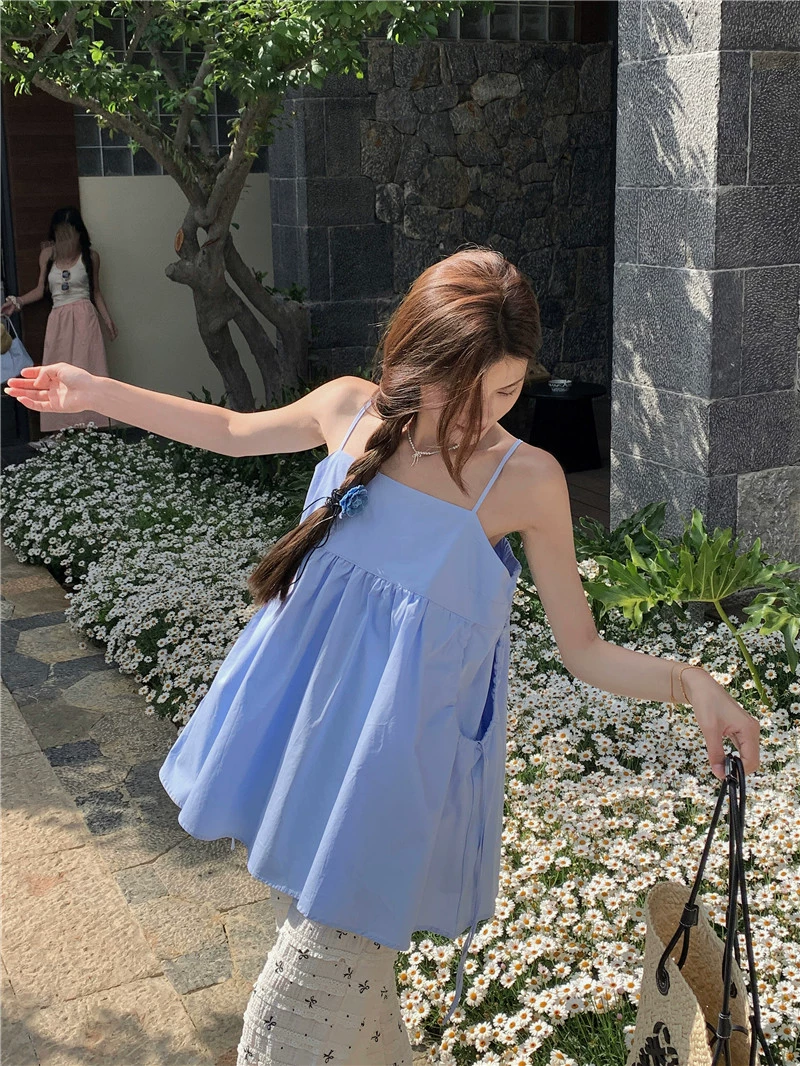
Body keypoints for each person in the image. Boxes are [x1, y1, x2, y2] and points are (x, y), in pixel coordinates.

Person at [2, 246, 761, 1065]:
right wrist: (94, 391)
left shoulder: (526, 476)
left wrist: (692, 683)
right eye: (463, 391)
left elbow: (583, 650)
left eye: (507, 390)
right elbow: (229, 431)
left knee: (286, 1031)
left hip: (393, 780)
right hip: (302, 744)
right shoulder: (348, 408)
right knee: (355, 1019)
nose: (483, 415)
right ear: (413, 361)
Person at [1, 205, 117, 433]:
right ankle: (61, 429)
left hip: (84, 316)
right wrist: (17, 303)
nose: (64, 238)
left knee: (87, 368)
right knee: (56, 372)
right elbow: (40, 289)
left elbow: (96, 292)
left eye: (68, 233)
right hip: (58, 319)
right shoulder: (48, 255)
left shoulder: (90, 256)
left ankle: (92, 428)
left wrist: (108, 320)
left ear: (79, 233)